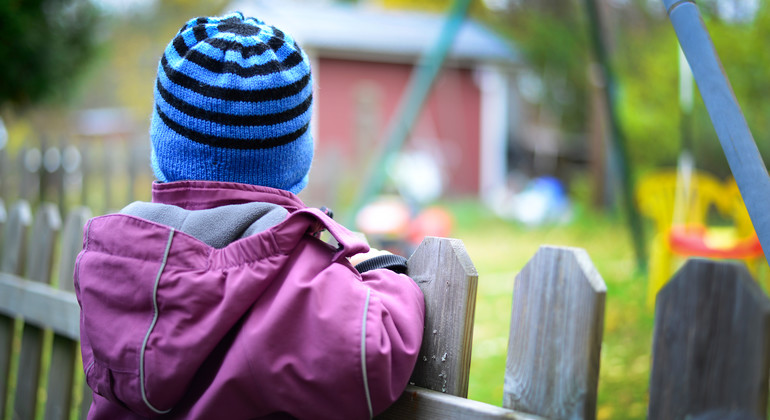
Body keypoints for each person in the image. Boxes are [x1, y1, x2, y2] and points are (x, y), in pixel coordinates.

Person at [74, 12, 425, 420]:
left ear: (161, 144)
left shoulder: (111, 261)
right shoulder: (295, 282)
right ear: (297, 159)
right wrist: (381, 273)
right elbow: (375, 350)